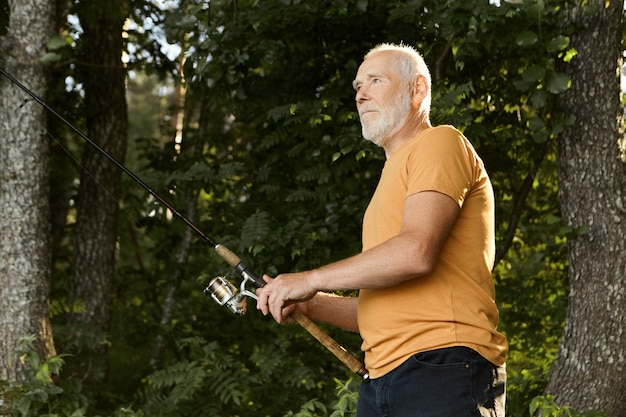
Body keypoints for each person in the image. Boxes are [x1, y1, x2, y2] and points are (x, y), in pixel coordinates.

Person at [256, 42, 508, 417]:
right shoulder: (387, 183)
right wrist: (311, 304)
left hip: (443, 365)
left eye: (375, 80)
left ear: (417, 89)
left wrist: (309, 279)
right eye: (357, 86)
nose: (361, 94)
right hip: (381, 382)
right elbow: (379, 309)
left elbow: (415, 253)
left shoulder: (440, 142)